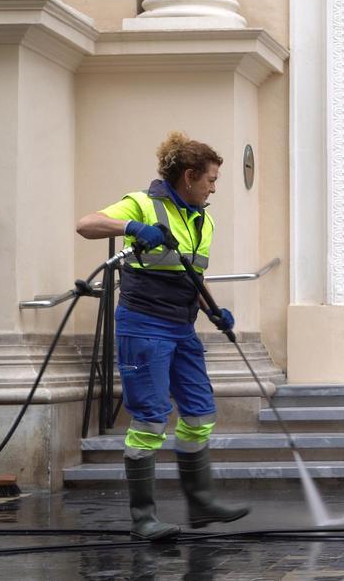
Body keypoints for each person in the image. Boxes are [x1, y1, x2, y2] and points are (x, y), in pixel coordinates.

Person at [76, 131, 248, 540]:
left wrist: (214, 310)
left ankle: (201, 503)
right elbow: (86, 224)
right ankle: (144, 519)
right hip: (144, 326)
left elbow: (191, 275)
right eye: (211, 179)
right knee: (151, 419)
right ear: (189, 176)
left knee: (200, 413)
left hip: (182, 327)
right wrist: (133, 226)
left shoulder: (202, 218)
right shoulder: (143, 202)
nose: (214, 187)